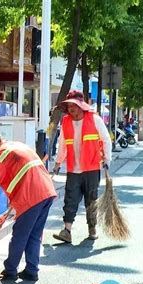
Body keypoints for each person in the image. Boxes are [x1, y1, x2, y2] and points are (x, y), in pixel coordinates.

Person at [0, 131, 57, 281]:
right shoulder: (18, 145)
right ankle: (31, 270)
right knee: (34, 234)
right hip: (47, 192)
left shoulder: (1, 156)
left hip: (31, 196)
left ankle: (10, 270)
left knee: (20, 235)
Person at [52, 90, 112, 243]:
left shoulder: (94, 119)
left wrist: (107, 158)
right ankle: (67, 231)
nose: (71, 108)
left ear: (81, 106)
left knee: (91, 200)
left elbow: (106, 140)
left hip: (91, 167)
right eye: (69, 105)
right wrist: (58, 162)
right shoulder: (65, 122)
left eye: (74, 105)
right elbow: (63, 143)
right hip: (73, 168)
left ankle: (92, 228)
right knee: (70, 199)